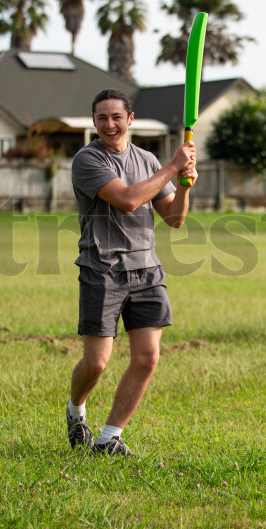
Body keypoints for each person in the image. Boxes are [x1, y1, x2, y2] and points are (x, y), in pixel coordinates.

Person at [67, 89, 197, 455]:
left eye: (116, 117)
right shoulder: (87, 160)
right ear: (94, 122)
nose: (110, 124)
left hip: (146, 268)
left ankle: (110, 437)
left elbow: (174, 218)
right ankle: (76, 411)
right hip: (102, 268)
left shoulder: (147, 159)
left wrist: (184, 188)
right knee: (97, 362)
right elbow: (127, 200)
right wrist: (172, 167)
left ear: (130, 119)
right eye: (102, 118)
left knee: (147, 357)